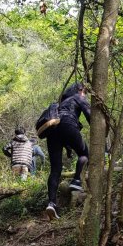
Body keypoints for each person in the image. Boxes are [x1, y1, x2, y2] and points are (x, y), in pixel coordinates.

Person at [46, 82, 90, 220]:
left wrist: (68, 147)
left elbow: (59, 128)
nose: (85, 95)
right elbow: (90, 115)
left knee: (55, 170)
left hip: (51, 130)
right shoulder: (78, 97)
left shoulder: (59, 104)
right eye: (85, 92)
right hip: (68, 124)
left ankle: (51, 203)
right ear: (80, 90)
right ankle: (76, 181)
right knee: (84, 154)